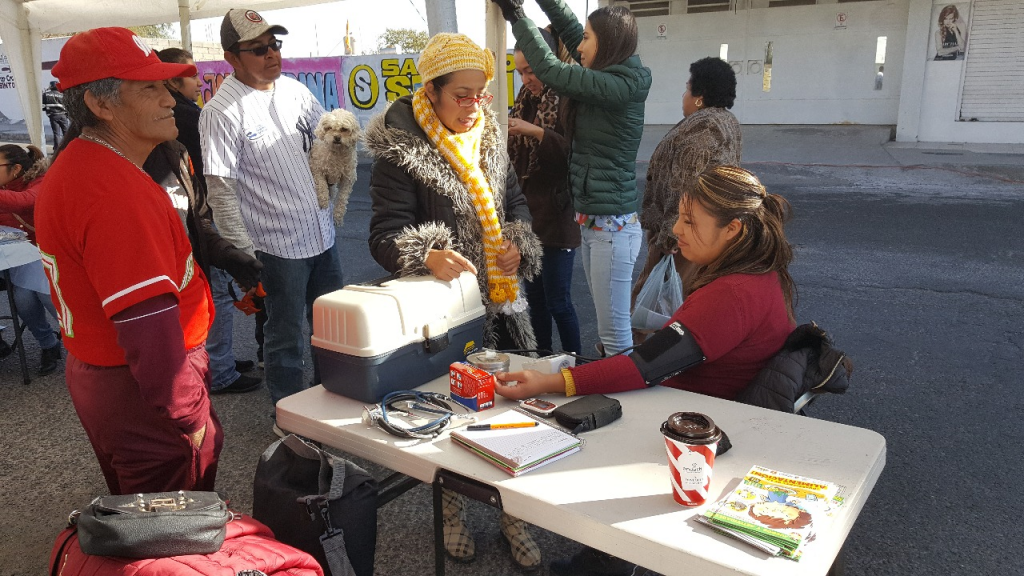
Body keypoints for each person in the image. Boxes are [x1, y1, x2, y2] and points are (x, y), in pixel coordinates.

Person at [495, 166, 796, 575]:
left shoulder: (733, 292)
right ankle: (601, 559)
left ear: (733, 231)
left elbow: (644, 367)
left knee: (576, 434)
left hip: (694, 424)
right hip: (715, 410)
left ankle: (601, 563)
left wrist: (550, 381)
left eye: (690, 221)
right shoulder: (761, 271)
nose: (676, 229)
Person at [363, 33, 543, 570]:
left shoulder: (488, 134)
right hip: (446, 313)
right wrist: (428, 255)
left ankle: (515, 515)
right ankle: (453, 513)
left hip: (506, 306)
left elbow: (513, 201)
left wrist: (518, 242)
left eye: (481, 94)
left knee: (517, 410)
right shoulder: (402, 148)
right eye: (462, 95)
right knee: (454, 416)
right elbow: (383, 234)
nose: (473, 106)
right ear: (432, 91)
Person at [35, 27, 222, 494]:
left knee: (142, 516)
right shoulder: (113, 189)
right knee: (172, 533)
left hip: (110, 379)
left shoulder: (84, 162)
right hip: (141, 387)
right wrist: (188, 411)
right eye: (150, 88)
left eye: (166, 86)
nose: (170, 101)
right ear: (100, 105)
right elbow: (146, 319)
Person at [200, 9, 344, 417]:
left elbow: (327, 139)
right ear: (232, 57)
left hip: (321, 234)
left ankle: (331, 399)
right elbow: (222, 192)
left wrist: (340, 152)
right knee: (285, 336)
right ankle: (290, 415)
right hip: (276, 246)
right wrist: (243, 260)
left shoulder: (295, 91)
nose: (271, 55)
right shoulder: (220, 113)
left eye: (275, 44)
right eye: (258, 49)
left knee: (332, 327)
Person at [493, 0, 652, 356]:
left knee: (614, 338)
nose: (579, 46)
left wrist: (516, 16)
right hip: (597, 223)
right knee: (610, 331)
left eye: (587, 39)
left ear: (608, 42)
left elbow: (550, 69)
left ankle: (625, 401)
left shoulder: (617, 85)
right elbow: (567, 29)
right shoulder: (610, 75)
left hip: (612, 228)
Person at [158, 47, 261, 395]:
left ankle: (221, 360)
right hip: (202, 213)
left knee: (215, 288)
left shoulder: (183, 113)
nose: (198, 80)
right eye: (191, 75)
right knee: (216, 291)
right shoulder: (186, 116)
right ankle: (220, 370)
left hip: (198, 212)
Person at [633, 57, 742, 341]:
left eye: (687, 88)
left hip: (685, 236)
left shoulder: (702, 130)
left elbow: (683, 186)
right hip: (705, 232)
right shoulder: (725, 122)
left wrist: (671, 237)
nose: (684, 95)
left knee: (655, 305)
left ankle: (633, 359)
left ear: (699, 97)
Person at [509, 28, 581, 354]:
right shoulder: (523, 102)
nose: (525, 79)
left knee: (559, 302)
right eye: (520, 71)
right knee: (535, 302)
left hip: (558, 218)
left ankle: (576, 362)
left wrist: (536, 132)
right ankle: (541, 361)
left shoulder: (568, 97)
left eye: (531, 70)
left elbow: (571, 156)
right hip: (529, 221)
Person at [0, 144, 62, 375]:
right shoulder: (5, 188)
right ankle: (49, 344)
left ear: (15, 169)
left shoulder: (40, 182)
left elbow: (25, 201)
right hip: (16, 261)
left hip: (52, 257)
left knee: (34, 294)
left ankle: (79, 340)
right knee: (23, 296)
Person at [42, 81, 70, 147]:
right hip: (63, 116)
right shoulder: (63, 94)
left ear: (50, 86)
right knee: (66, 133)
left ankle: (57, 150)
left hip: (53, 116)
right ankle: (68, 147)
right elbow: (67, 106)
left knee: (56, 133)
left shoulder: (45, 94)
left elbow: (43, 107)